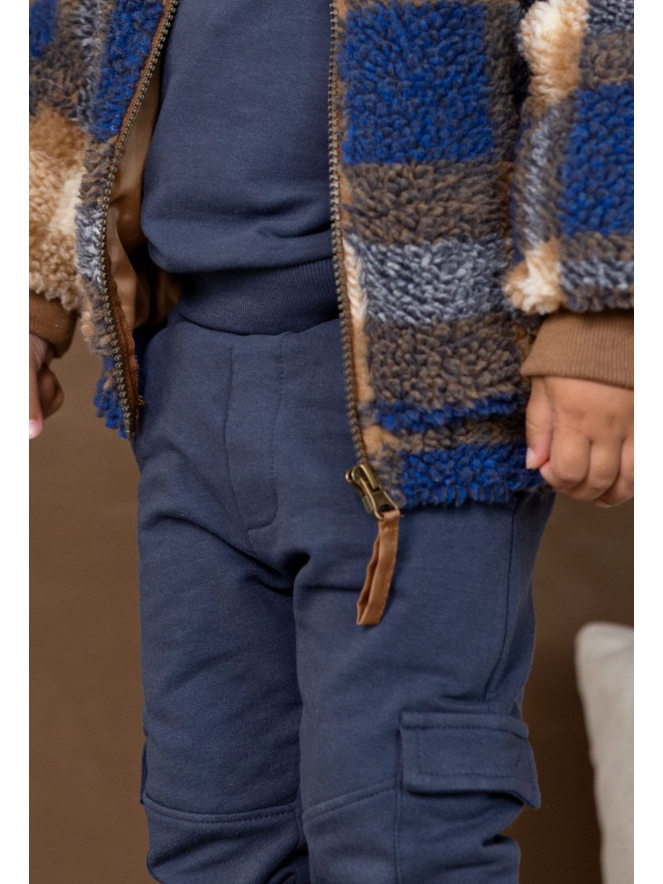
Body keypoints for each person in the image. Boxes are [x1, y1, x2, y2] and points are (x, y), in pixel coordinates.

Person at [29, 0, 633, 881]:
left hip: (422, 396)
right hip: (186, 383)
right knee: (210, 829)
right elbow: (68, 52)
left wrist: (602, 312)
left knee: (399, 837)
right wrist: (32, 298)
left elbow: (612, 44)